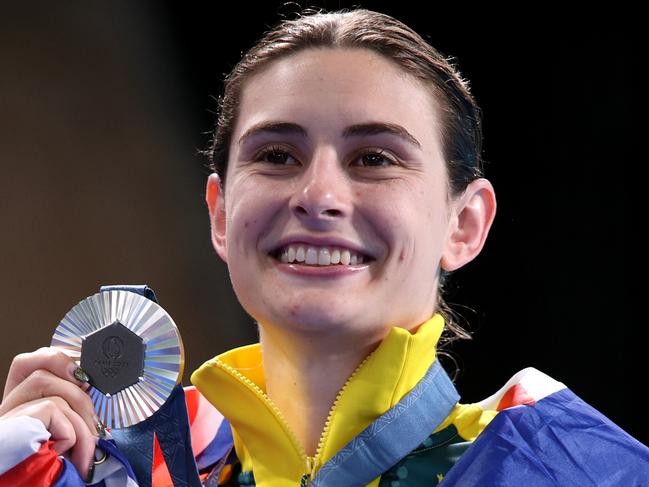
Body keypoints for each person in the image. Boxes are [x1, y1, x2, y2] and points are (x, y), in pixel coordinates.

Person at [0, 7, 647, 487]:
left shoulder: (565, 467)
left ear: (464, 225)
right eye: (277, 155)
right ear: (221, 215)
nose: (317, 194)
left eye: (373, 157)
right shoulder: (121, 471)